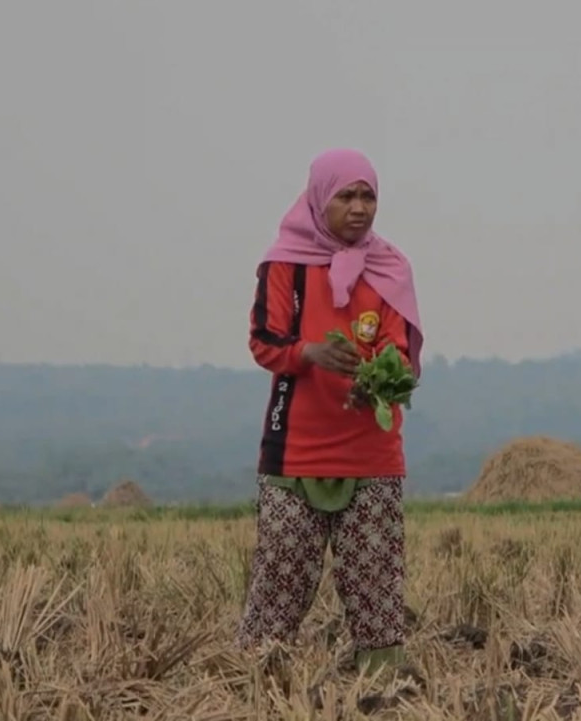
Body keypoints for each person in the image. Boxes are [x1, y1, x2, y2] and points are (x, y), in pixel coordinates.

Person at [237, 148, 424, 675]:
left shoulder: (390, 269)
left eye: (368, 197)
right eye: (346, 196)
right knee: (281, 576)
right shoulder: (284, 265)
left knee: (376, 582)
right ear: (320, 199)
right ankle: (259, 681)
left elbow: (399, 353)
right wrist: (310, 353)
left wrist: (378, 383)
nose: (359, 208)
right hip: (295, 450)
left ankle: (382, 685)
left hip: (371, 454)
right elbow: (264, 341)